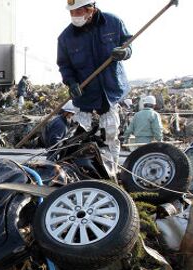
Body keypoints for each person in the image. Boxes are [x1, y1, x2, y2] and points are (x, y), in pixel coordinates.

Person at [57, 0, 132, 174]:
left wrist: (125, 52)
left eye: (79, 12)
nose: (75, 16)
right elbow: (64, 65)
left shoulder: (113, 22)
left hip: (110, 89)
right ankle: (79, 172)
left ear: (91, 9)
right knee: (79, 135)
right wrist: (71, 82)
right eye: (72, 13)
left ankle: (111, 171)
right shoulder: (66, 37)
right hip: (85, 93)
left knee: (110, 132)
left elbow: (128, 43)